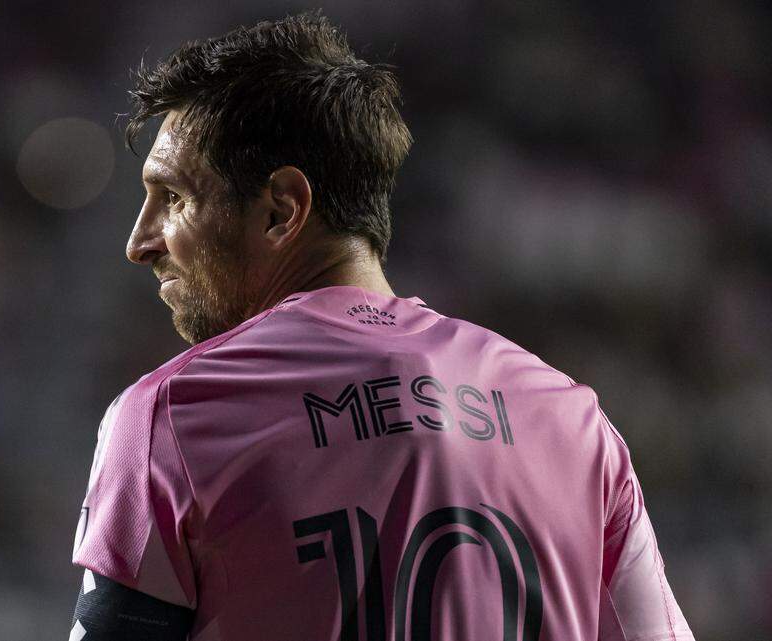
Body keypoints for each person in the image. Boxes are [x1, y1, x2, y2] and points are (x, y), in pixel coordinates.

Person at [68, 11, 694, 641]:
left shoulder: (174, 415)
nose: (139, 242)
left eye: (173, 198)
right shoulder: (574, 421)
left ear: (282, 209)